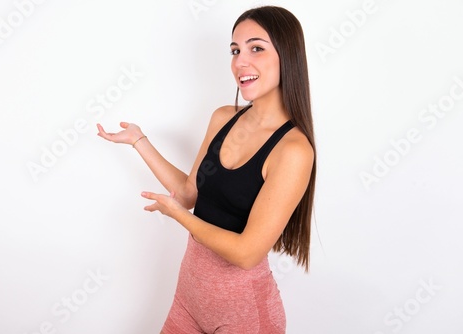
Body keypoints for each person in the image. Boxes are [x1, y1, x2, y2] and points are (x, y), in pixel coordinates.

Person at [97, 5, 316, 334]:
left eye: (256, 48)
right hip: (188, 301)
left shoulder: (294, 151)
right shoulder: (224, 118)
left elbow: (246, 253)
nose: (240, 62)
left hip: (246, 318)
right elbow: (187, 194)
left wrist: (177, 215)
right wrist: (138, 141)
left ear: (288, 55)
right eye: (235, 50)